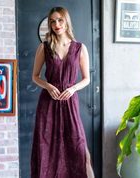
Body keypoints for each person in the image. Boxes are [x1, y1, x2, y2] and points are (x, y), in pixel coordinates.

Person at [30, 6, 95, 178]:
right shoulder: (44, 47)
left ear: (66, 21)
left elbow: (87, 78)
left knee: (79, 148)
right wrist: (48, 86)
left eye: (60, 20)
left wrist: (73, 88)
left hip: (69, 103)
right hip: (48, 104)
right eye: (52, 21)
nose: (56, 24)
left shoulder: (80, 48)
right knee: (47, 149)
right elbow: (35, 76)